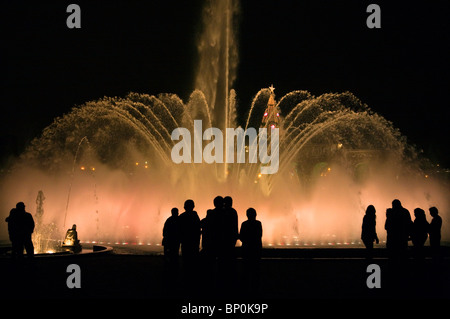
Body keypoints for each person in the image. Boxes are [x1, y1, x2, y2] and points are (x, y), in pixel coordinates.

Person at [178, 199, 201, 290]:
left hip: (185, 241)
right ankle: (193, 279)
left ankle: (186, 279)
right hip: (194, 242)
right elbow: (198, 227)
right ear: (193, 206)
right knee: (193, 260)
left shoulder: (182, 216)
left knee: (186, 260)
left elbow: (179, 229)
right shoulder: (195, 216)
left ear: (184, 207)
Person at [239, 208, 263, 293]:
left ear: (247, 215)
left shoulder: (244, 224)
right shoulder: (258, 223)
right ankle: (255, 289)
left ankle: (245, 289)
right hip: (256, 250)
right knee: (256, 270)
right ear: (255, 215)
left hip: (246, 249)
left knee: (246, 270)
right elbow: (259, 235)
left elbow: (241, 237)